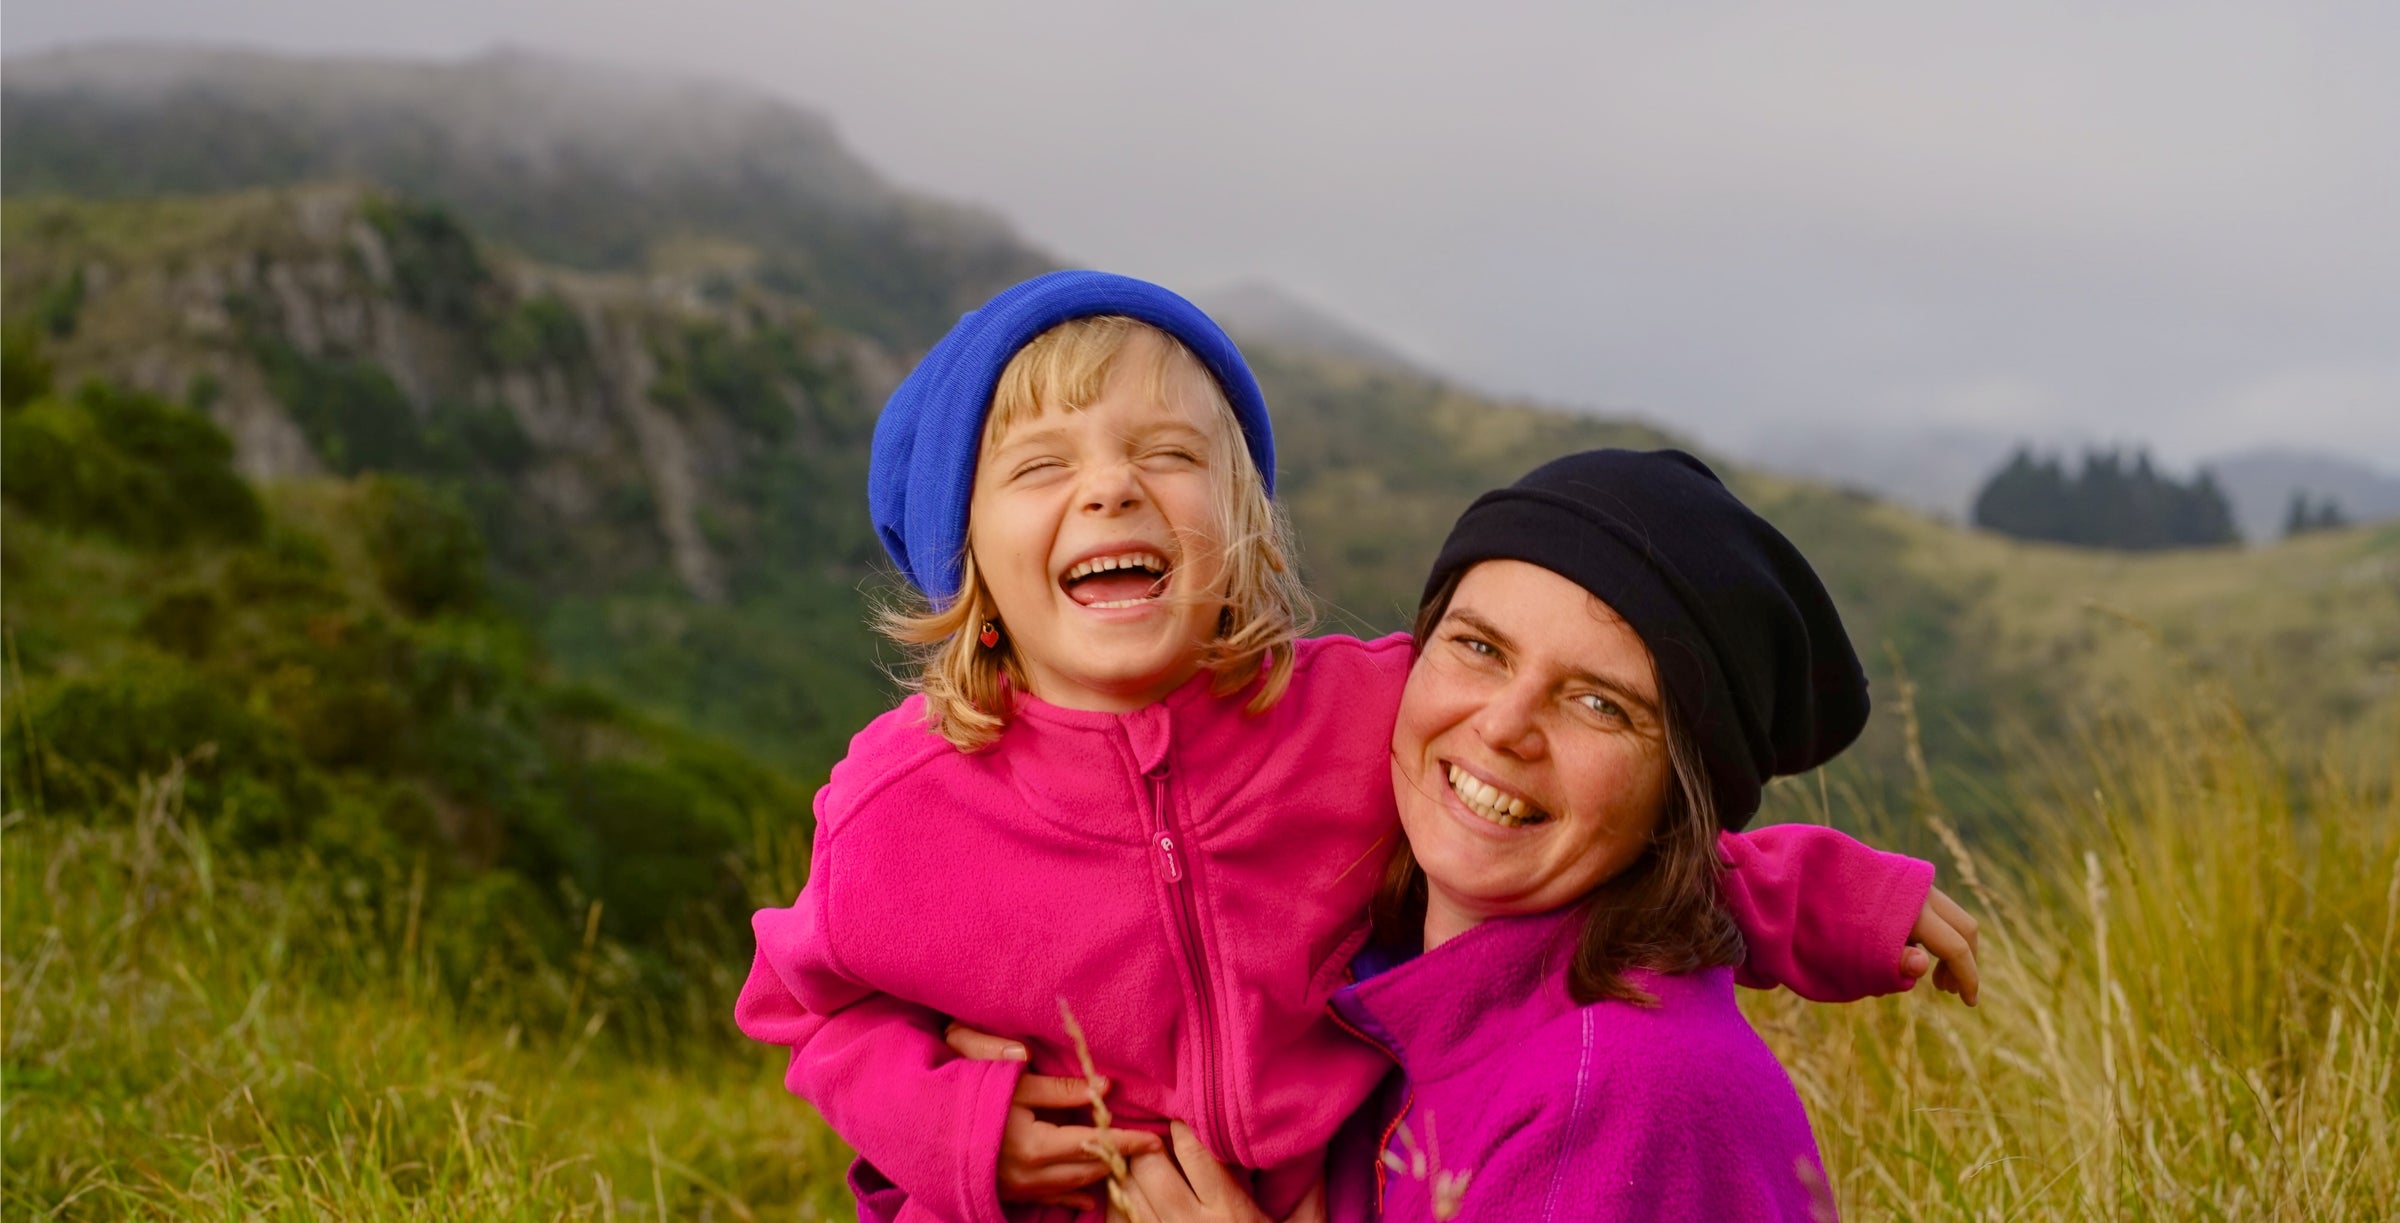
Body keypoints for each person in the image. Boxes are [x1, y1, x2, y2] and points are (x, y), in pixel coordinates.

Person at [735, 272, 1975, 1223]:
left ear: (1243, 530)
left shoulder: (1361, 716)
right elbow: (808, 1010)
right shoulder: (902, 805)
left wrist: (1826, 895)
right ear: (969, 564)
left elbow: (1607, 836)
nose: (1111, 489)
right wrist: (958, 1128)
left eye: (1169, 455)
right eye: (1042, 465)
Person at [1306, 448, 1914, 1221]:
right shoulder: (1392, 991)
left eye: (1600, 704)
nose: (1502, 726)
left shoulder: (1611, 1098)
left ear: (1679, 798)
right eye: (1480, 647)